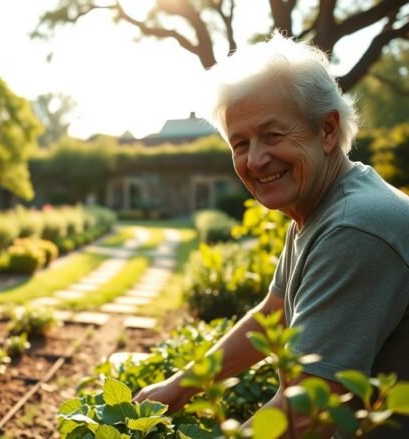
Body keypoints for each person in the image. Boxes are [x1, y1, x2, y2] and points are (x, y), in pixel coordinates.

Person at [133, 31, 409, 438]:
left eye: (273, 135)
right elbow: (272, 314)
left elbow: (311, 409)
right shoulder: (321, 207)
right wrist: (178, 388)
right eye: (240, 143)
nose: (256, 159)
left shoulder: (355, 227)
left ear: (328, 130)